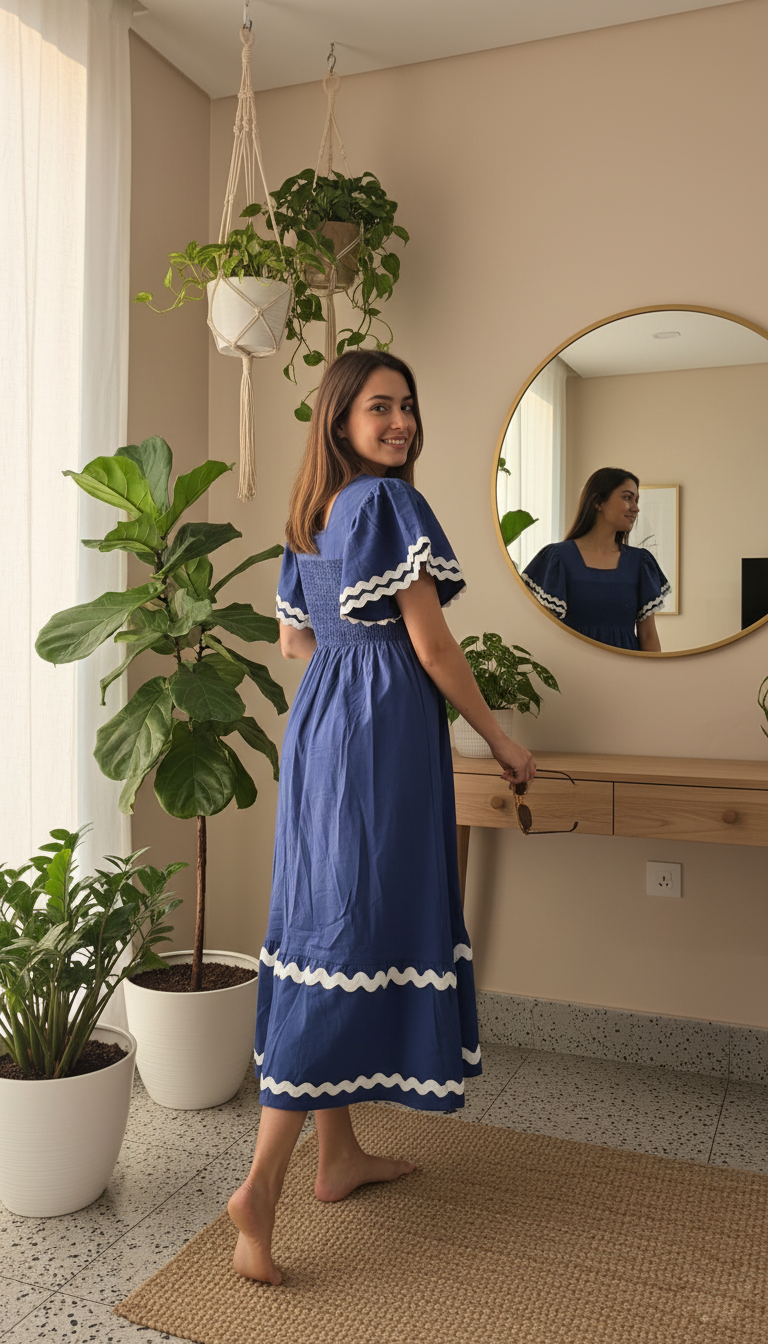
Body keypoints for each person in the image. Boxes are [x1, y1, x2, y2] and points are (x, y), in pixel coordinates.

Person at [227, 349, 536, 1283]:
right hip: (381, 736)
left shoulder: (311, 513)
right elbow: (433, 646)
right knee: (354, 936)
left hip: (321, 728)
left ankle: (339, 1156)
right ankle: (261, 1186)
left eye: (407, 406)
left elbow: (294, 642)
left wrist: (349, 656)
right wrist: (500, 739)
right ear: (341, 419)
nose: (400, 422)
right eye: (380, 407)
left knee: (330, 928)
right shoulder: (391, 503)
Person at [522, 468, 670, 651]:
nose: (636, 508)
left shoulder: (640, 563)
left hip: (628, 668)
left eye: (636, 500)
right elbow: (542, 634)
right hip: (572, 667)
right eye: (627, 498)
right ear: (598, 502)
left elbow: (648, 636)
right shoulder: (557, 559)